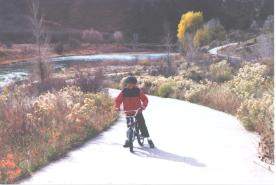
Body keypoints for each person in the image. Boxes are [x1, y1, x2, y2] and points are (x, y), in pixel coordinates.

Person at [115, 76, 155, 148]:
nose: (130, 85)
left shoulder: (138, 91)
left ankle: (149, 139)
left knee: (142, 124)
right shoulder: (124, 91)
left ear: (135, 84)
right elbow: (118, 100)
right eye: (129, 83)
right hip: (128, 112)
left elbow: (145, 99)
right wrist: (117, 107)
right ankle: (128, 139)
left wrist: (143, 106)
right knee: (129, 126)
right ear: (126, 83)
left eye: (132, 84)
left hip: (137, 111)